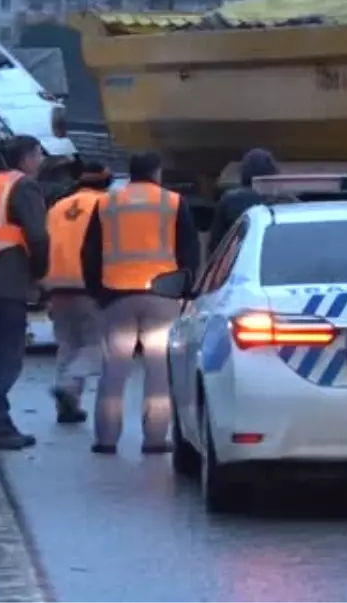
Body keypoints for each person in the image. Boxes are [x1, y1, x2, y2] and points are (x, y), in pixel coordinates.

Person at [81, 151, 201, 455]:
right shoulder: (172, 202)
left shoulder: (107, 203)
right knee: (159, 371)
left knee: (113, 371)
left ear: (130, 173)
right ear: (157, 172)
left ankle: (106, 439)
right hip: (161, 297)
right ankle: (155, 439)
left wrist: (98, 293)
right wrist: (185, 293)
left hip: (116, 295)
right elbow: (189, 253)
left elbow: (90, 253)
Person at [0, 135, 49, 451]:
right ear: (27, 157)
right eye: (39, 154)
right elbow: (38, 237)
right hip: (7, 282)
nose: (42, 160)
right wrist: (41, 273)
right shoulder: (24, 187)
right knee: (6, 359)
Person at [41, 160, 113, 424]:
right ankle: (69, 385)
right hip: (88, 284)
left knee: (68, 344)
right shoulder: (106, 206)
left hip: (55, 284)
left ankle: (67, 408)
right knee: (94, 345)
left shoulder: (58, 207)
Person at [207, 148, 279, 254]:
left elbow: (216, 245)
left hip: (239, 261)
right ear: (272, 174)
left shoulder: (229, 201)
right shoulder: (283, 200)